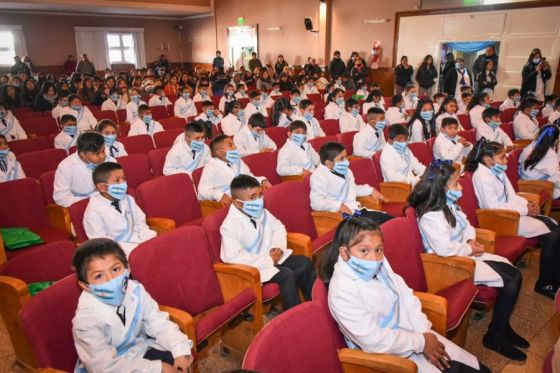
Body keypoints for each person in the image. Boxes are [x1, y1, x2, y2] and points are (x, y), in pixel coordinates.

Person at [320, 216, 487, 373]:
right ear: (344, 253)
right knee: (454, 368)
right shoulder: (342, 291)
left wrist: (425, 332)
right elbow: (374, 340)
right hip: (386, 355)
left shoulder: (379, 260)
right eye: (364, 251)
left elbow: (406, 295)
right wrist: (421, 343)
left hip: (413, 334)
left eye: (378, 250)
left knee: (474, 367)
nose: (374, 258)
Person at [409, 160, 528, 361]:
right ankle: (495, 336)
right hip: (449, 265)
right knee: (511, 280)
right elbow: (445, 249)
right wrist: (469, 248)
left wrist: (471, 238)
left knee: (514, 273)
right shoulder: (430, 215)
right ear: (441, 188)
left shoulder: (448, 204)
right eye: (455, 184)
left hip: (464, 254)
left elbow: (466, 224)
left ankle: (502, 326)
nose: (460, 187)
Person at [71, 238, 193, 372]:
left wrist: (180, 349)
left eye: (116, 269)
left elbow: (157, 322)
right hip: (112, 368)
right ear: (85, 286)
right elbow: (104, 367)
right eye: (99, 276)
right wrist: (158, 368)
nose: (112, 280)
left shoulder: (136, 290)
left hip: (138, 350)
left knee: (179, 362)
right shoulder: (85, 320)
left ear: (127, 268)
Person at [467, 139, 560, 298]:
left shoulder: (498, 171)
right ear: (489, 160)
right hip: (501, 219)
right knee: (553, 235)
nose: (506, 161)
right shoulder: (481, 176)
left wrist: (528, 204)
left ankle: (554, 277)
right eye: (502, 157)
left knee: (554, 226)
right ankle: (544, 283)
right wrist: (524, 210)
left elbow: (511, 196)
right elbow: (493, 207)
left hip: (513, 213)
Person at [220, 174, 315, 310]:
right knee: (287, 275)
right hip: (255, 267)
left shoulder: (261, 212)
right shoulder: (229, 226)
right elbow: (232, 257)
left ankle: (314, 304)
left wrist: (278, 247)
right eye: (253, 197)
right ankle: (296, 316)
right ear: (238, 203)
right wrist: (267, 260)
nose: (259, 200)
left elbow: (278, 227)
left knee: (304, 263)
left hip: (273, 256)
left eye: (259, 195)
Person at [310, 142, 392, 224]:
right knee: (379, 228)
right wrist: (338, 205)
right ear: (329, 163)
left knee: (389, 220)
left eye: (346, 157)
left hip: (355, 212)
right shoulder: (318, 176)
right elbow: (316, 202)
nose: (346, 161)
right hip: (339, 217)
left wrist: (370, 190)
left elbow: (352, 189)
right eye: (342, 159)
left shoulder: (346, 170)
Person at [84, 163, 156, 256]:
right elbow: (101, 244)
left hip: (139, 243)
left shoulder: (128, 199)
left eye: (123, 179)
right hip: (116, 253)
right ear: (102, 187)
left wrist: (149, 239)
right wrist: (135, 248)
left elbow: (140, 224)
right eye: (117, 180)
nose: (123, 184)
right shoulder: (93, 211)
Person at [197, 135, 271, 204]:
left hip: (250, 197)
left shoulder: (237, 160)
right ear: (220, 152)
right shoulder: (210, 168)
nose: (235, 147)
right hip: (232, 203)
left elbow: (249, 178)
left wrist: (262, 181)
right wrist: (220, 195)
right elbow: (202, 192)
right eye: (230, 145)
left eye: (233, 144)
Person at [54, 132, 116, 207]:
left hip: (109, 201)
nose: (103, 156)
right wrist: (91, 200)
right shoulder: (66, 167)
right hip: (84, 205)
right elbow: (61, 198)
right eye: (97, 153)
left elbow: (118, 184)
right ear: (82, 155)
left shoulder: (110, 160)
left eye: (103, 150)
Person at [519, 125, 560, 199]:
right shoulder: (550, 155)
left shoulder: (530, 146)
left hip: (523, 184)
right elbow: (556, 178)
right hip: (537, 188)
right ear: (556, 140)